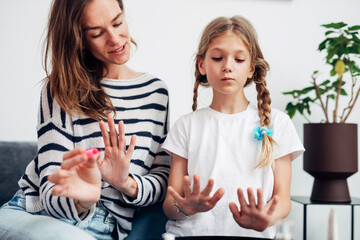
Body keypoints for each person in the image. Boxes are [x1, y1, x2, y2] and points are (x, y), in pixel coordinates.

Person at [0, 0, 170, 239]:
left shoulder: (156, 92)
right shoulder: (60, 88)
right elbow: (50, 187)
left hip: (105, 229)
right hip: (36, 216)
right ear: (79, 40)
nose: (114, 38)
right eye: (97, 33)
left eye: (118, 22)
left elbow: (163, 179)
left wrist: (126, 183)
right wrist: (81, 200)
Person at [162, 15, 305, 238]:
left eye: (239, 60)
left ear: (251, 68)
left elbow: (283, 200)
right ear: (202, 64)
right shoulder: (186, 126)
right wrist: (186, 208)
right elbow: (170, 205)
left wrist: (267, 217)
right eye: (218, 58)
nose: (227, 67)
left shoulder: (278, 123)